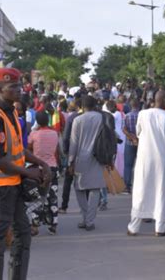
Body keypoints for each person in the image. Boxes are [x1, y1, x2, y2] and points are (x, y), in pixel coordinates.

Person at [0, 68, 51, 279]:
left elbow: (18, 148)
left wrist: (40, 162)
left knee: (23, 234)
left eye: (19, 85)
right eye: (12, 87)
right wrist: (29, 173)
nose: (18, 90)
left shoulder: (10, 112)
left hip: (11, 183)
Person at [127, 91, 165, 236]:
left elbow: (138, 133)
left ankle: (134, 227)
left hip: (144, 157)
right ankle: (160, 228)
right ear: (164, 101)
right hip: (162, 157)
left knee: (140, 190)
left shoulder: (143, 114)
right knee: (161, 191)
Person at [68, 95, 106, 231]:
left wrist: (70, 161)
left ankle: (85, 218)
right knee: (95, 189)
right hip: (98, 157)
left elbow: (73, 143)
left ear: (82, 107)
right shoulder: (101, 118)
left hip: (81, 158)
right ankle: (90, 220)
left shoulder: (77, 120)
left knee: (79, 188)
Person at [28, 111, 60, 236]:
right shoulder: (54, 134)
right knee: (52, 196)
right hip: (52, 168)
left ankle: (35, 225)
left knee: (36, 197)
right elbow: (56, 150)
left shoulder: (34, 134)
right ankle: (53, 224)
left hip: (38, 169)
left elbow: (29, 149)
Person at [59, 100, 81, 213]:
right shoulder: (87, 117)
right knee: (84, 181)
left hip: (72, 152)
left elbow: (66, 137)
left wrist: (65, 150)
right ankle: (85, 207)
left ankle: (64, 206)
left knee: (68, 179)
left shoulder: (72, 118)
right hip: (85, 153)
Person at [122, 99, 140, 194]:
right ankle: (140, 186)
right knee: (140, 165)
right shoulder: (142, 115)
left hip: (129, 143)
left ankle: (127, 187)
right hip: (141, 143)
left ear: (130, 106)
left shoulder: (127, 116)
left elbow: (124, 129)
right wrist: (137, 138)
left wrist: (131, 137)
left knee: (128, 165)